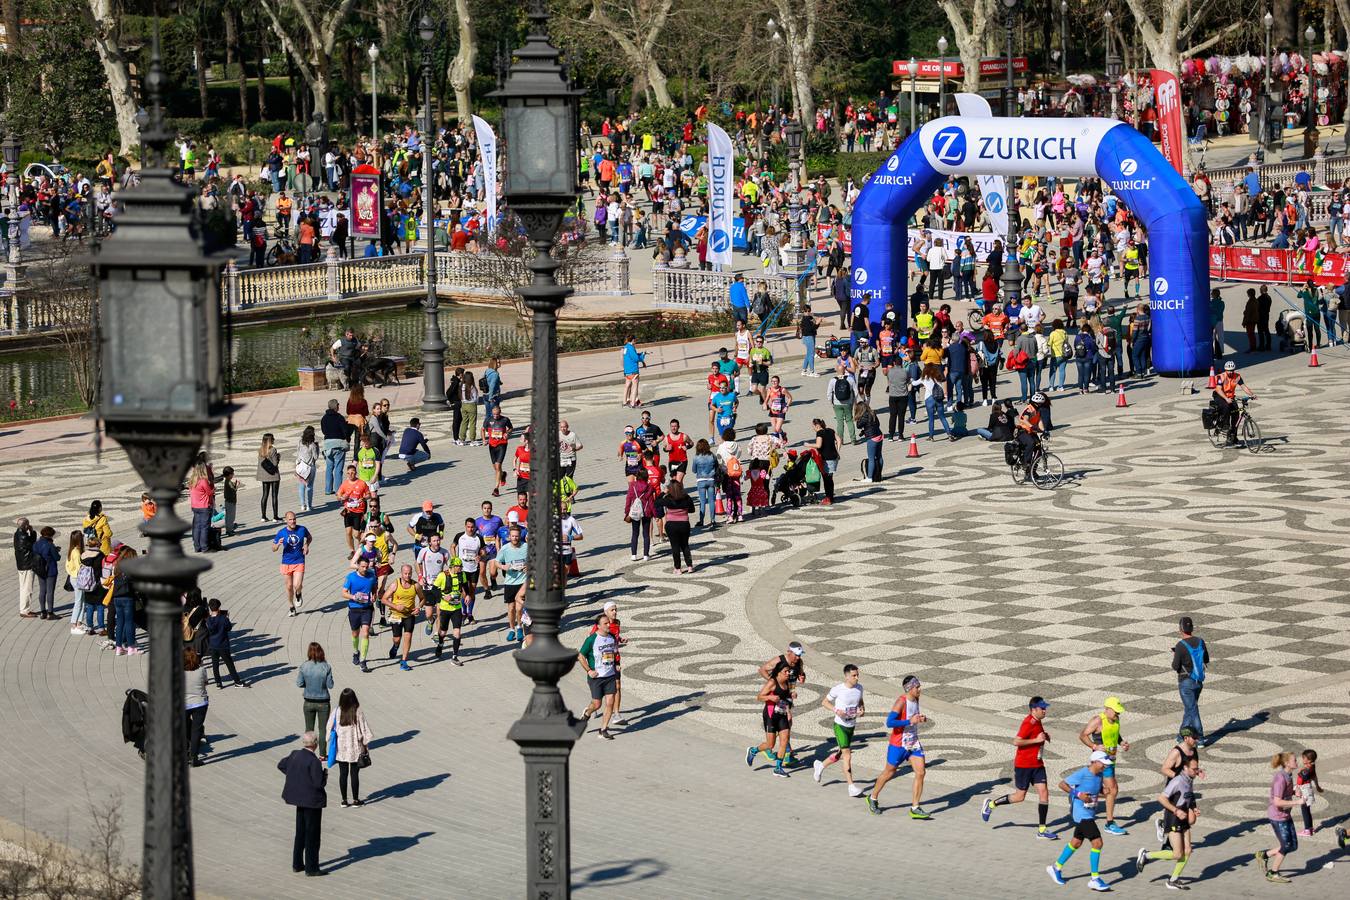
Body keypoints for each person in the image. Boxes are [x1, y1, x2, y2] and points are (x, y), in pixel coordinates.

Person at [982, 697, 1057, 839]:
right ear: (1033, 709)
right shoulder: (1028, 722)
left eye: (1044, 707)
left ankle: (1042, 830)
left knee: (1044, 793)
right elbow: (1016, 741)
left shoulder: (1038, 721)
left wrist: (1044, 736)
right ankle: (991, 804)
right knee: (1019, 797)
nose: (1044, 710)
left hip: (1037, 765)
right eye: (1042, 708)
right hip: (1024, 766)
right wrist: (1036, 740)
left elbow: (1037, 736)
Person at [1047, 751, 1114, 892]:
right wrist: (1078, 794)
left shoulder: (1099, 775)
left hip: (1090, 812)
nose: (1105, 767)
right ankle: (1094, 879)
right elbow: (1062, 784)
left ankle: (1055, 868)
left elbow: (1095, 789)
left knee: (1076, 842)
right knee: (1098, 843)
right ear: (1095, 762)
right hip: (1081, 814)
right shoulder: (1082, 773)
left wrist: (1104, 791)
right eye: (1103, 764)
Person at [867, 675, 931, 818]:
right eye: (917, 687)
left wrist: (920, 718)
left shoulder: (916, 699)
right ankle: (873, 797)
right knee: (889, 772)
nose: (920, 689)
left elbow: (913, 717)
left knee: (921, 772)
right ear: (909, 688)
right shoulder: (900, 702)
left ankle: (915, 808)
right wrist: (909, 721)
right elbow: (890, 723)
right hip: (898, 744)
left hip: (913, 742)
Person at [1135, 753, 1201, 890]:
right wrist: (1176, 811)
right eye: (1194, 769)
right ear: (1185, 768)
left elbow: (1189, 795)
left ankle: (1173, 880)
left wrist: (1194, 808)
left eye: (1197, 768)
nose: (1197, 771)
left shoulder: (1190, 779)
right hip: (1173, 819)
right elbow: (1161, 798)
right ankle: (1146, 855)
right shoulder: (1176, 781)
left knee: (1188, 850)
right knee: (1177, 853)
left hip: (1183, 819)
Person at [1079, 697, 1131, 835]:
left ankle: (1079, 796)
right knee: (1112, 790)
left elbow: (1115, 734)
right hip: (1100, 761)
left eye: (1119, 712)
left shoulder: (1116, 720)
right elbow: (1083, 735)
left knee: (1099, 788)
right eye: (1115, 711)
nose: (1118, 714)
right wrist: (1094, 746)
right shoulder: (1098, 720)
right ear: (1107, 709)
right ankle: (1109, 823)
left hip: (1111, 760)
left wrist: (1122, 743)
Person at [278, 732, 327, 877]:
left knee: (300, 832)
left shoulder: (294, 754)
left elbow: (281, 765)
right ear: (315, 744)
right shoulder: (314, 762)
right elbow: (319, 783)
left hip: (299, 800)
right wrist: (324, 773)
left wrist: (294, 775)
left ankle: (297, 863)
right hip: (312, 802)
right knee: (312, 835)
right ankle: (311, 868)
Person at [813, 664, 865, 796]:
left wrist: (862, 710)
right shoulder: (838, 689)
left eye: (857, 675)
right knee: (847, 755)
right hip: (840, 726)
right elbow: (824, 702)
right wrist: (836, 710)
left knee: (840, 753)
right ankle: (851, 787)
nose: (857, 678)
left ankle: (820, 766)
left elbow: (860, 702)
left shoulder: (859, 688)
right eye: (854, 675)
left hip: (851, 726)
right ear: (846, 676)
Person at [1256, 752, 1306, 883]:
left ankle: (1264, 855)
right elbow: (1277, 802)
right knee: (1286, 845)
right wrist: (1297, 802)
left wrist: (1295, 791)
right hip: (1277, 817)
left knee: (1293, 845)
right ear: (1287, 763)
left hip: (1285, 815)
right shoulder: (1280, 778)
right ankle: (1273, 873)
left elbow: (1285, 793)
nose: (1297, 762)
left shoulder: (1288, 775)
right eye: (1294, 760)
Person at [326, 688, 373, 807]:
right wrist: (366, 744)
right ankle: (356, 800)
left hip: (341, 748)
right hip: (355, 748)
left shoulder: (337, 711)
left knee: (343, 773)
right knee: (354, 774)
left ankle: (344, 800)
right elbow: (364, 729)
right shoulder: (357, 711)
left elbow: (329, 727)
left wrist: (329, 737)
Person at [747, 663, 795, 778]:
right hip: (770, 715)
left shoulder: (787, 683)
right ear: (779, 672)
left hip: (782, 714)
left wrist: (790, 703)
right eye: (786, 671)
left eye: (789, 671)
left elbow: (786, 699)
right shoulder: (772, 683)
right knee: (770, 745)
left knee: (784, 741)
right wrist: (770, 697)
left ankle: (778, 768)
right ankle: (753, 750)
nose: (788, 673)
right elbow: (759, 697)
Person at [579, 610, 621, 740]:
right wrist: (589, 671)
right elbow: (581, 656)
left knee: (610, 702)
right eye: (605, 623)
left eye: (608, 623)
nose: (608, 625)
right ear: (598, 626)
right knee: (597, 704)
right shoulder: (592, 640)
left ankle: (603, 729)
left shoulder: (612, 637)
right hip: (596, 677)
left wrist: (617, 663)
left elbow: (614, 652)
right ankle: (587, 713)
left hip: (610, 675)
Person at [380, 564, 424, 671]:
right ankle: (395, 646)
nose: (408, 576)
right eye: (405, 573)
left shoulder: (416, 585)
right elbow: (383, 599)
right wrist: (395, 606)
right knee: (397, 638)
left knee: (408, 637)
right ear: (401, 573)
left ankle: (404, 661)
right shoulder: (395, 584)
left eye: (409, 573)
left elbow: (422, 598)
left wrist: (418, 607)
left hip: (409, 615)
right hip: (396, 615)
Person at [1172, 616, 1208, 745]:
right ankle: (1182, 734)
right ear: (1191, 628)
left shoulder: (1180, 646)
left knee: (1192, 709)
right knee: (1190, 708)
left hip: (1186, 682)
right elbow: (1206, 659)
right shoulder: (1200, 641)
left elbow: (1175, 666)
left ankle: (1200, 737)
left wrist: (1176, 655)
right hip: (1198, 681)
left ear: (1180, 629)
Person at [296, 642, 334, 758]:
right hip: (323, 702)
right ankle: (322, 754)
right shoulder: (326, 667)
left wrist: (308, 685)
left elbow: (299, 683)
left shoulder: (304, 666)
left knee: (309, 729)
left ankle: (308, 753)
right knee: (322, 730)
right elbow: (330, 685)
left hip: (308, 701)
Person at [492, 524, 529, 643]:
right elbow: (496, 562)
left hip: (522, 582)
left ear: (520, 536)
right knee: (511, 608)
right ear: (509, 536)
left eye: (517, 536)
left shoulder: (526, 546)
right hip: (510, 582)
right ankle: (512, 629)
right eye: (513, 536)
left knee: (519, 608)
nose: (515, 538)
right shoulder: (505, 548)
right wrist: (503, 566)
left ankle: (519, 627)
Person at [272, 511, 312, 617]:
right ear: (286, 521)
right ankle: (291, 607)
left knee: (297, 585)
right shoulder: (281, 532)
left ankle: (298, 594)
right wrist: (278, 545)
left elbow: (309, 537)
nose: (293, 521)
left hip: (299, 560)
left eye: (294, 519)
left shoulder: (302, 529)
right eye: (290, 519)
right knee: (289, 586)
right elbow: (273, 548)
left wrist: (306, 545)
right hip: (286, 562)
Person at [430, 557, 468, 664]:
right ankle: (440, 645)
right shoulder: (443, 575)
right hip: (445, 608)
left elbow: (465, 585)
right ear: (452, 566)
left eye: (461, 566)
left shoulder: (462, 575)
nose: (460, 568)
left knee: (457, 633)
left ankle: (455, 656)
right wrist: (443, 597)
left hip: (457, 608)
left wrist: (468, 595)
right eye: (458, 567)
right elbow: (434, 589)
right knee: (443, 632)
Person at [206, 599, 248, 688]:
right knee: (229, 664)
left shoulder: (208, 619)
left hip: (213, 645)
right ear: (219, 607)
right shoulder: (223, 618)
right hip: (223, 645)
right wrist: (227, 618)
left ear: (210, 608)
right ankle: (237, 681)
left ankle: (218, 683)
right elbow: (229, 628)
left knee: (215, 664)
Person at [1211, 360, 1255, 445]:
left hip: (1230, 397)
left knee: (1236, 414)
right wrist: (1226, 398)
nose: (1230, 372)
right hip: (1220, 396)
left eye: (1232, 370)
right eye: (1228, 370)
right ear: (1225, 370)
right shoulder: (1221, 377)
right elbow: (1218, 389)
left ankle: (1233, 436)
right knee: (1226, 407)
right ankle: (1225, 426)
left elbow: (1244, 387)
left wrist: (1252, 395)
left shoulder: (1237, 376)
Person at [336, 464, 371, 555]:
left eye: (352, 473)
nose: (350, 475)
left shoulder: (361, 483)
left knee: (356, 534)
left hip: (359, 511)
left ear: (356, 473)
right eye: (348, 473)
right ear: (346, 474)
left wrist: (363, 498)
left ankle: (362, 546)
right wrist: (342, 498)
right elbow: (338, 496)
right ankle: (352, 550)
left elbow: (369, 495)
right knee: (348, 532)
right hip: (348, 511)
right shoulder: (345, 484)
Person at [663, 479, 695, 573]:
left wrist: (662, 493)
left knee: (675, 546)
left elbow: (657, 503)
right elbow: (692, 510)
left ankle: (678, 568)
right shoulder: (686, 497)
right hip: (684, 523)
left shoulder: (668, 498)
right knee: (685, 545)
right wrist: (683, 510)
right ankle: (689, 566)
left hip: (671, 524)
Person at [184, 648, 209, 767]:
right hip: (200, 703)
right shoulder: (202, 670)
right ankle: (193, 757)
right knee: (196, 729)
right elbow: (205, 683)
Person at [482, 403, 513, 497]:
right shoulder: (488, 420)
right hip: (492, 445)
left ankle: (496, 488)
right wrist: (484, 439)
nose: (495, 416)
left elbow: (511, 428)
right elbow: (483, 429)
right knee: (496, 468)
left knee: (498, 465)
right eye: (494, 414)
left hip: (502, 444)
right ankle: (503, 475)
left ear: (500, 413)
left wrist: (507, 433)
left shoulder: (505, 420)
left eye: (497, 414)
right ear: (492, 413)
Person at [320, 399, 349, 496]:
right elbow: (345, 430)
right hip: (338, 445)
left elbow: (324, 431)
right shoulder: (339, 417)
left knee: (329, 467)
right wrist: (347, 437)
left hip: (327, 445)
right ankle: (338, 490)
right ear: (336, 406)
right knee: (338, 468)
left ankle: (328, 489)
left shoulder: (324, 418)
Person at [623, 474, 655, 560]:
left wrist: (626, 512)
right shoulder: (649, 487)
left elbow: (628, 499)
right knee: (646, 534)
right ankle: (646, 555)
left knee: (635, 533)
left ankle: (634, 555)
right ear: (646, 477)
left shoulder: (632, 486)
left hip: (635, 512)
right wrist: (655, 514)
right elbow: (651, 502)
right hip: (646, 512)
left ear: (637, 477)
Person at [31, 526, 59, 620]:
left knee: (42, 590)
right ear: (50, 535)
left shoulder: (36, 544)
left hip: (40, 570)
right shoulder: (50, 544)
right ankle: (50, 613)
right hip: (50, 570)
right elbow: (57, 558)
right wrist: (55, 550)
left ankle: (43, 612)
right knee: (50, 591)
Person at [811, 418, 840, 505]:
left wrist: (808, 445)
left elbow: (818, 445)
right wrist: (838, 451)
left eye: (813, 426)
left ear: (817, 425)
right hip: (834, 458)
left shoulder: (819, 433)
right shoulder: (831, 430)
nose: (812, 428)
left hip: (826, 459)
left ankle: (828, 498)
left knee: (826, 479)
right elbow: (839, 440)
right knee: (830, 478)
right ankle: (830, 497)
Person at [827, 363, 858, 444]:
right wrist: (854, 401)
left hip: (837, 404)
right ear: (844, 370)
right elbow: (856, 391)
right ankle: (853, 439)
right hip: (848, 403)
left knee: (839, 422)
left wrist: (832, 403)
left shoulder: (832, 380)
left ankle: (840, 440)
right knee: (849, 420)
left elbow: (829, 394)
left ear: (837, 370)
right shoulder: (850, 379)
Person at [13, 517, 38, 618]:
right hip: (27, 565)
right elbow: (33, 544)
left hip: (21, 564)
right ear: (26, 526)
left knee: (23, 587)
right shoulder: (23, 537)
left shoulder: (17, 534)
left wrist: (31, 532)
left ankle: (24, 609)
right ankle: (24, 610)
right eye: (28, 524)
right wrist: (32, 532)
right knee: (27, 589)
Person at [855, 401, 884, 483]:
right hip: (879, 435)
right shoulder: (873, 413)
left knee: (871, 458)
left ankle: (870, 477)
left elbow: (858, 426)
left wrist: (858, 417)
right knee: (879, 456)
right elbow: (878, 424)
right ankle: (879, 474)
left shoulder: (863, 416)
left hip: (872, 438)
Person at [1295, 749, 1322, 837]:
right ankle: (1310, 828)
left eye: (1304, 758)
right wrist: (1317, 786)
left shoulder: (1308, 769)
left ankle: (1307, 830)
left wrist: (1298, 789)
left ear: (1309, 759)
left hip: (1304, 789)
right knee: (1307, 810)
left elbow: (1301, 778)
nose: (1303, 760)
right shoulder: (1312, 767)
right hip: (1306, 789)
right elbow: (1315, 777)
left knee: (1305, 810)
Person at [257, 433, 282, 522]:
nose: (274, 439)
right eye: (273, 438)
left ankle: (263, 516)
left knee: (264, 495)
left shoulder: (261, 450)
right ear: (270, 440)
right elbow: (275, 464)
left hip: (264, 476)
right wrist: (278, 458)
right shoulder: (273, 450)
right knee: (274, 495)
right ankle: (275, 517)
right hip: (273, 475)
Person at [295, 426, 320, 512]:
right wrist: (318, 448)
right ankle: (309, 505)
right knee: (310, 486)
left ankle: (302, 505)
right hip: (310, 467)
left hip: (301, 466)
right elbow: (315, 457)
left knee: (302, 485)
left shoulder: (300, 442)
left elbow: (297, 453)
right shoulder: (313, 445)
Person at [622, 335, 646, 407]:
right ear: (632, 340)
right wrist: (643, 355)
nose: (636, 341)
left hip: (627, 370)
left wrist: (642, 353)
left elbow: (631, 356)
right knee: (635, 387)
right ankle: (633, 403)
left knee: (627, 386)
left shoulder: (625, 347)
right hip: (633, 369)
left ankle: (624, 401)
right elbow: (635, 358)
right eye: (635, 340)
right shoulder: (631, 347)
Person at [797, 306, 819, 376]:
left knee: (808, 354)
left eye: (809, 311)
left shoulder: (810, 318)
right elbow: (810, 329)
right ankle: (812, 371)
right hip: (808, 337)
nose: (808, 313)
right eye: (806, 311)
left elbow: (815, 328)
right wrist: (817, 323)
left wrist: (818, 323)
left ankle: (804, 370)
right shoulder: (805, 319)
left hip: (811, 336)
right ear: (803, 311)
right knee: (811, 354)